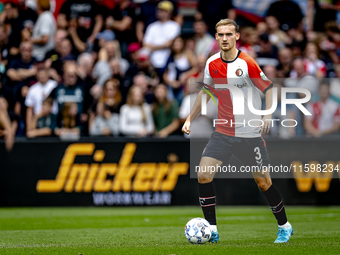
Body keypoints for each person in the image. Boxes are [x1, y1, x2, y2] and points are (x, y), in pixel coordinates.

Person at [181, 19, 293, 243]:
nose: (224, 38)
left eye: (229, 34)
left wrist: (267, 114)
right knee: (203, 174)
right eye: (220, 34)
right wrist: (189, 118)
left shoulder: (247, 62)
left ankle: (285, 226)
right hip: (223, 132)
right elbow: (206, 93)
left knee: (263, 182)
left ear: (236, 37)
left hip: (249, 134)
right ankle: (212, 229)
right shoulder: (212, 63)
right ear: (216, 37)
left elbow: (269, 88)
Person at [143, 1, 181, 74]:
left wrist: (153, 46)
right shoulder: (151, 26)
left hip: (169, 61)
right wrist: (162, 45)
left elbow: (169, 44)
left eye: (163, 10)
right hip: (152, 61)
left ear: (169, 13)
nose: (160, 12)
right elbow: (145, 45)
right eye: (159, 10)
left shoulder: (175, 26)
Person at [25, 67, 58, 131]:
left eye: (44, 74)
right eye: (40, 74)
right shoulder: (32, 89)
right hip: (38, 120)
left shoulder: (55, 86)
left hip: (53, 119)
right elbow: (29, 109)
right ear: (37, 75)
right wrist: (29, 127)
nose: (42, 76)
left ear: (48, 74)